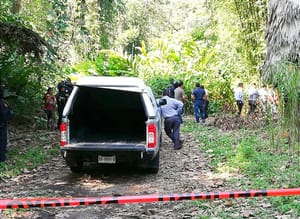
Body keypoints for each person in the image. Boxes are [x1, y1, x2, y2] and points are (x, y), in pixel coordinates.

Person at [0, 86, 12, 162]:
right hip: (2, 125)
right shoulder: (4, 103)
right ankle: (2, 158)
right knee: (2, 141)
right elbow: (8, 114)